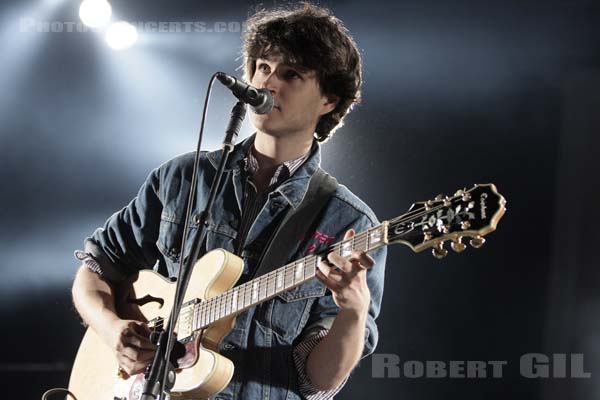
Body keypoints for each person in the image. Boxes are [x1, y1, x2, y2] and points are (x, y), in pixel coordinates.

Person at [71, 3, 386, 399]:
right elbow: (98, 265)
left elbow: (318, 381)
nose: (268, 83)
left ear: (329, 100)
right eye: (263, 67)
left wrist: (353, 311)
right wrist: (110, 329)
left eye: (291, 74)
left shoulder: (345, 221)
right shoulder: (182, 178)